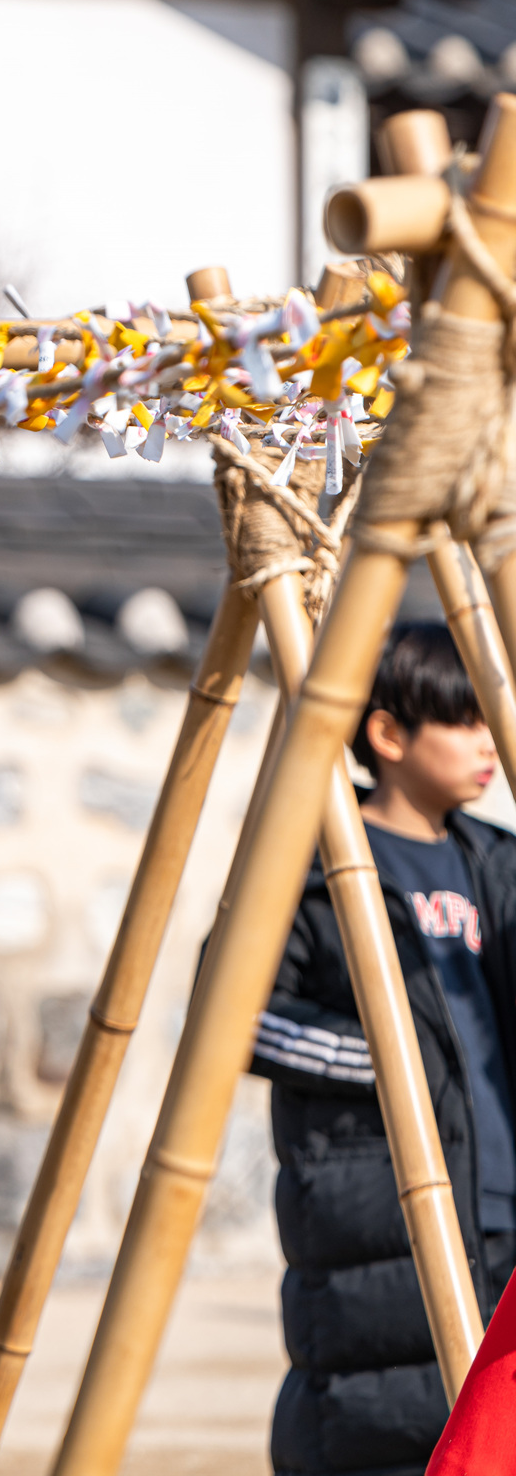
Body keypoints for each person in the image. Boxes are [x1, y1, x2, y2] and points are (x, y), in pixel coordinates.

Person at [252, 622, 516, 1476]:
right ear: (390, 735)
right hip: (381, 1215)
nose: (487, 744)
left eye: (492, 721)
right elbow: (249, 1018)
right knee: (394, 1429)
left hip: (502, 1207)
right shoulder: (319, 867)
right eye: (462, 721)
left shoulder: (497, 865)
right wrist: (392, 1067)